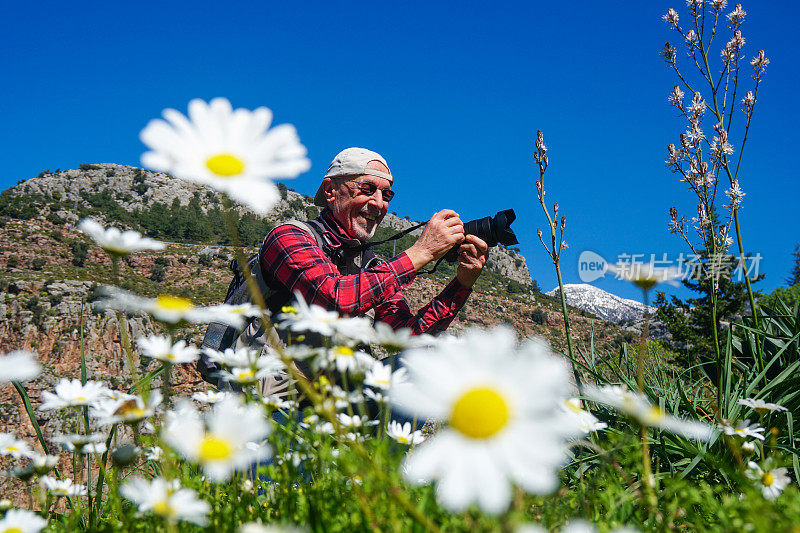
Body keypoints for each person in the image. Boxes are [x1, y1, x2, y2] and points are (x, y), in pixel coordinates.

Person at [259, 147, 488, 338]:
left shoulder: (372, 268)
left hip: (336, 388)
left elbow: (407, 338)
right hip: (267, 388)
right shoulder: (289, 236)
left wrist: (462, 283)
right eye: (367, 189)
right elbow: (334, 300)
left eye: (386, 194)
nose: (379, 203)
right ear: (330, 191)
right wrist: (422, 252)